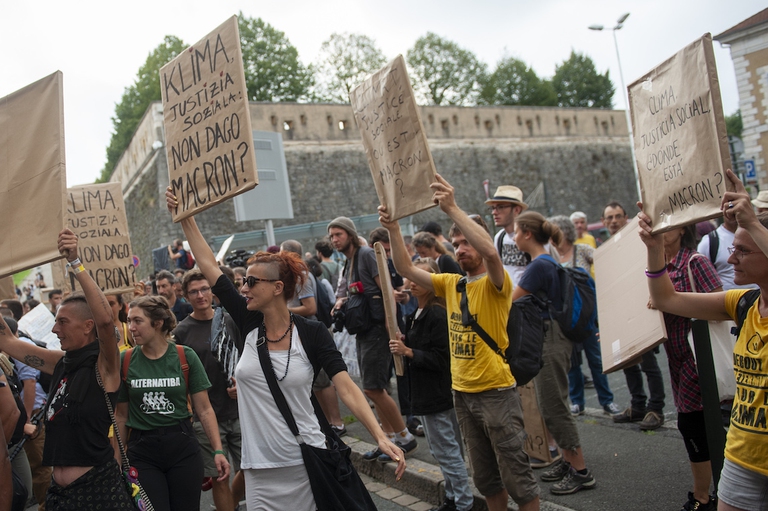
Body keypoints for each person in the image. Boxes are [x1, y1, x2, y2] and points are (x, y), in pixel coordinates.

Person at [166, 187, 405, 510]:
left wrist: (378, 435)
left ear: (278, 288)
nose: (244, 287)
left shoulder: (312, 332)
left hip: (307, 460)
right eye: (244, 281)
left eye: (252, 282)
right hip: (259, 470)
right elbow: (209, 264)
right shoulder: (250, 323)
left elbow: (346, 387)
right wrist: (186, 218)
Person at [380, 173, 540, 511]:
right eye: (457, 245)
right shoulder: (452, 284)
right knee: (485, 480)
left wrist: (451, 208)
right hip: (463, 395)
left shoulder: (496, 284)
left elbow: (492, 255)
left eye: (467, 243)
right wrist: (393, 229)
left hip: (496, 393)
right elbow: (405, 267)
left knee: (519, 480)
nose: (462, 249)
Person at [639, 168, 768, 511]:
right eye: (733, 248)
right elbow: (668, 299)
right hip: (742, 455)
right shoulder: (742, 303)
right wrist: (654, 249)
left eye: (743, 251)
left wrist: (753, 223)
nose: (730, 257)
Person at [0, 229, 135, 509]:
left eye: (63, 322)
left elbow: (107, 323)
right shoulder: (61, 363)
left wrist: (76, 263)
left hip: (97, 492)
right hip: (58, 495)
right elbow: (8, 341)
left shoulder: (104, 365)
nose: (53, 328)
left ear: (88, 326)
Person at [116, 295, 230, 511]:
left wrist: (217, 450)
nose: (131, 327)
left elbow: (204, 409)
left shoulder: (184, 356)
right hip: (142, 450)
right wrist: (118, 459)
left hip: (182, 445)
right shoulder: (126, 360)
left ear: (158, 323)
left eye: (137, 321)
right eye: (129, 320)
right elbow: (121, 415)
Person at [513, 211, 596, 495]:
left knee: (554, 405)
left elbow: (511, 302)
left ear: (526, 234)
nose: (513, 237)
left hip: (551, 338)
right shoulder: (547, 260)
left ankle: (580, 470)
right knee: (550, 402)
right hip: (552, 336)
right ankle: (566, 460)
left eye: (515, 232)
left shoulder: (538, 265)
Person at [328, 216, 419, 461]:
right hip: (365, 329)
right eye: (332, 236)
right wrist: (342, 301)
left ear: (349, 233)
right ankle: (387, 440)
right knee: (376, 387)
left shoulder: (366, 254)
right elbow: (358, 291)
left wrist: (393, 328)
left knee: (372, 388)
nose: (335, 240)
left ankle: (404, 438)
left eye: (338, 234)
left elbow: (386, 290)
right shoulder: (349, 261)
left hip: (379, 329)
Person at [389, 258, 474, 511]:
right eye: (411, 277)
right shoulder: (416, 312)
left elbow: (441, 358)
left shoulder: (437, 313)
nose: (412, 283)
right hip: (426, 393)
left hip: (436, 393)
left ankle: (463, 503)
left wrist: (408, 351)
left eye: (419, 278)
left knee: (447, 451)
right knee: (445, 450)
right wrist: (407, 343)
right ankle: (452, 497)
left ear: (432, 282)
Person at [173, 270, 244, 511]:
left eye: (204, 289)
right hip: (205, 418)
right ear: (185, 296)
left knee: (252, 468)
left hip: (239, 410)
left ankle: (230, 504)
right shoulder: (182, 332)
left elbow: (245, 361)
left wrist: (241, 386)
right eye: (194, 291)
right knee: (219, 477)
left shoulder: (229, 320)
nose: (200, 295)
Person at [603, 202, 667, 429]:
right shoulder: (604, 251)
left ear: (625, 218)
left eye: (617, 216)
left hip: (640, 310)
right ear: (604, 222)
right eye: (609, 217)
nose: (613, 221)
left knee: (648, 364)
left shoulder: (638, 242)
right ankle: (638, 405)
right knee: (628, 363)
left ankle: (656, 408)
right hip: (620, 314)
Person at [548, 215, 619, 417]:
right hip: (566, 318)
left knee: (596, 360)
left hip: (586, 316)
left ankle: (607, 400)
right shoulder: (551, 256)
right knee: (572, 363)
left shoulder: (582, 250)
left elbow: (606, 263)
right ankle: (577, 401)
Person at [486, 185, 530, 286]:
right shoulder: (499, 237)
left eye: (500, 207)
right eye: (493, 208)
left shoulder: (530, 235)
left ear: (517, 210)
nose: (494, 212)